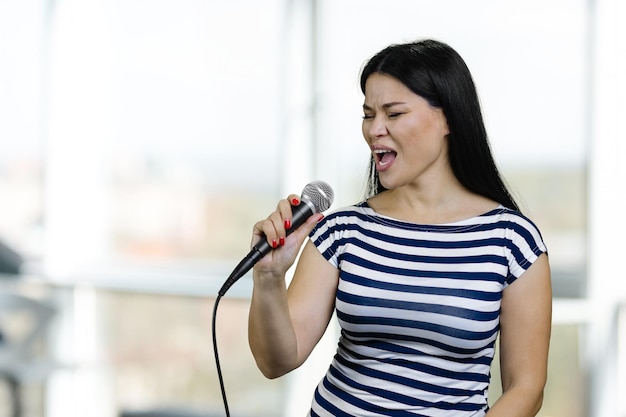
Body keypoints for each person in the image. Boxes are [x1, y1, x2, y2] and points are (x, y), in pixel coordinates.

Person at [247, 38, 552, 416]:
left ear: (448, 118)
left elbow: (527, 389)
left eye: (393, 114)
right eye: (368, 114)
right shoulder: (342, 231)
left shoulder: (511, 241)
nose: (375, 130)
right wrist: (269, 278)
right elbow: (276, 361)